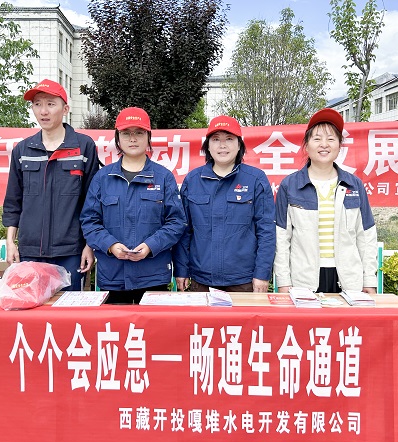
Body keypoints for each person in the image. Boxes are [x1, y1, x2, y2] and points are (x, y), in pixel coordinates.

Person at [80, 107, 186, 304]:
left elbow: (177, 222)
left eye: (139, 133)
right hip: (113, 276)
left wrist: (150, 246)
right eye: (126, 133)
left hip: (153, 275)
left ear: (148, 137)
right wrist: (111, 245)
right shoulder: (103, 178)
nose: (133, 139)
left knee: (153, 325)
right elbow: (89, 222)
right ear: (117, 138)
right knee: (115, 325)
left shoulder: (163, 177)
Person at [2, 79, 100, 291]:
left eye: (50, 104)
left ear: (65, 109)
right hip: (30, 252)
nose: (43, 111)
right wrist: (11, 243)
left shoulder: (83, 147)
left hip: (71, 252)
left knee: (68, 308)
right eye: (37, 104)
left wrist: (89, 245)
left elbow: (92, 204)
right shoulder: (23, 150)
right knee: (31, 308)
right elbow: (13, 202)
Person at [274, 108, 378, 293]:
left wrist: (369, 280)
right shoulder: (290, 185)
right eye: (317, 139)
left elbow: (366, 236)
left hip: (348, 279)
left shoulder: (354, 185)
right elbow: (281, 238)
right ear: (306, 145)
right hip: (303, 280)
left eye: (331, 139)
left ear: (339, 145)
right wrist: (283, 281)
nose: (324, 145)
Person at [173, 115, 275, 293]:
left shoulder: (255, 179)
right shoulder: (193, 180)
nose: (222, 145)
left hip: (243, 280)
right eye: (216, 139)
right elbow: (184, 230)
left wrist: (262, 273)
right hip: (201, 279)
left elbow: (266, 230)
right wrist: (181, 269)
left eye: (229, 139)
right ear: (207, 146)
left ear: (239, 145)